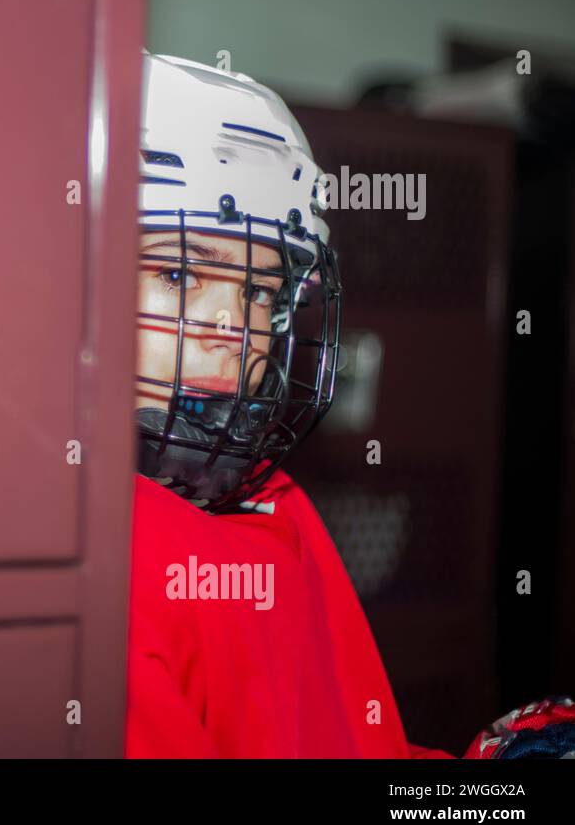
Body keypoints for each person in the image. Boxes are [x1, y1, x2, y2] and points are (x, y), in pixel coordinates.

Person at [125, 51, 574, 758]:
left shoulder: (272, 501)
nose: (233, 331)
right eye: (180, 275)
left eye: (260, 291)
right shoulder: (98, 556)